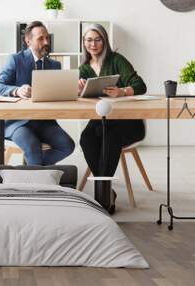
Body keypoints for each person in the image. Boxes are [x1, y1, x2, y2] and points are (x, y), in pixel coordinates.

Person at [78, 24, 146, 207]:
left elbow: (140, 85)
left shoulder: (116, 60)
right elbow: (76, 93)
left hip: (127, 122)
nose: (93, 44)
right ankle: (107, 191)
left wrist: (122, 91)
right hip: (100, 121)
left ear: (105, 40)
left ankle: (103, 198)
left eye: (97, 39)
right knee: (86, 138)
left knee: (109, 136)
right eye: (89, 40)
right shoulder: (84, 68)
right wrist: (77, 88)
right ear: (84, 43)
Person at [0, 21, 75, 165]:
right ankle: (38, 182)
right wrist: (16, 90)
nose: (46, 42)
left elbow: (58, 94)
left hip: (45, 122)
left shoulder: (55, 65)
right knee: (33, 147)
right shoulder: (16, 60)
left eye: (47, 38)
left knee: (67, 145)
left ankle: (32, 171)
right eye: (41, 38)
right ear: (28, 41)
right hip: (18, 123)